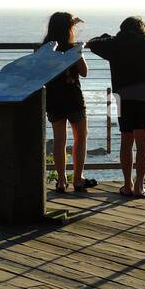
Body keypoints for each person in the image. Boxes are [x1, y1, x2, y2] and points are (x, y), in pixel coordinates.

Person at [86, 17, 145, 198]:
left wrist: (111, 38)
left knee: (126, 142)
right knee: (143, 144)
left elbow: (93, 42)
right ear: (141, 30)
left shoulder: (113, 44)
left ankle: (127, 185)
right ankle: (139, 187)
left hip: (122, 96)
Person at [41, 11, 97, 194]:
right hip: (73, 97)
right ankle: (78, 179)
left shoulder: (45, 48)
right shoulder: (73, 49)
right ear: (68, 29)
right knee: (80, 137)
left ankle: (61, 181)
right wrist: (77, 52)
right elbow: (84, 72)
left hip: (54, 98)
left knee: (59, 140)